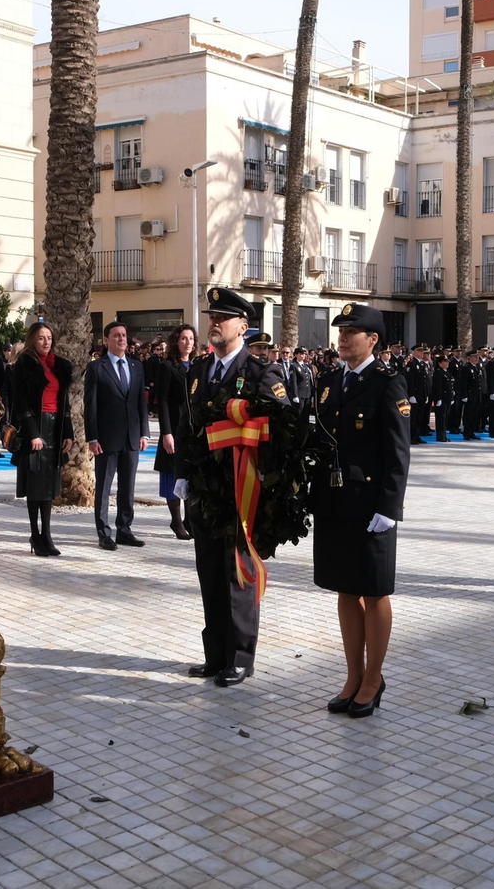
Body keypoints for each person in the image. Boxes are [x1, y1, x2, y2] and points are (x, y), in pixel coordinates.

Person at [177, 288, 288, 688]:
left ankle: (241, 657)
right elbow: (187, 428)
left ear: (244, 325)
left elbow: (278, 429)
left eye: (223, 317)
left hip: (243, 491)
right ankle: (216, 655)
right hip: (205, 493)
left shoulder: (261, 373)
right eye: (212, 317)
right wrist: (182, 473)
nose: (214, 323)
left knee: (237, 575)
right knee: (209, 572)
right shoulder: (198, 371)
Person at [308, 304, 410, 718]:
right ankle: (353, 675)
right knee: (345, 589)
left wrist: (390, 506)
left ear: (373, 340)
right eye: (342, 330)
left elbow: (398, 452)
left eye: (354, 331)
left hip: (371, 506)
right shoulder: (330, 382)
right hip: (335, 502)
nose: (344, 337)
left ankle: (373, 678)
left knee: (374, 590)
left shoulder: (389, 383)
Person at [10, 322, 73, 556]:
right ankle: (35, 535)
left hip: (55, 428)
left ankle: (47, 534)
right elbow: (21, 404)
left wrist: (68, 433)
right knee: (35, 486)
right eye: (40, 338)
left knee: (48, 486)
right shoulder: (24, 366)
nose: (45, 342)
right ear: (32, 341)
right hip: (34, 429)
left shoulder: (60, 366)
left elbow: (64, 404)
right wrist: (33, 433)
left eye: (48, 338)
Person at [85, 321, 150, 550]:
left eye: (124, 335)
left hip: (131, 437)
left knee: (127, 486)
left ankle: (124, 529)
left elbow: (141, 402)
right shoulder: (96, 368)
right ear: (106, 340)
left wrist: (144, 432)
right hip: (106, 438)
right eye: (116, 335)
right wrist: (92, 437)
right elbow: (90, 405)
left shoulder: (136, 367)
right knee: (104, 487)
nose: (122, 339)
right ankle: (104, 533)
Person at [154, 324, 195, 540]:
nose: (188, 343)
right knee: (172, 474)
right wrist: (166, 433)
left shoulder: (197, 366)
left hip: (191, 430)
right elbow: (161, 400)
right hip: (174, 427)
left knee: (189, 473)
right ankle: (176, 521)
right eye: (183, 339)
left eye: (191, 339)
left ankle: (189, 519)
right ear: (176, 342)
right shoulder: (167, 366)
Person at [432, 354, 455, 442]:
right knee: (441, 418)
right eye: (444, 362)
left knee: (445, 418)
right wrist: (438, 398)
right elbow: (437, 387)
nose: (446, 363)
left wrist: (451, 397)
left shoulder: (446, 372)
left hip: (447, 398)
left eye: (447, 362)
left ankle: (444, 435)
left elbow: (450, 386)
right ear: (439, 363)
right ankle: (440, 435)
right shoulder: (438, 373)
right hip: (442, 398)